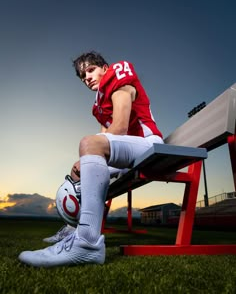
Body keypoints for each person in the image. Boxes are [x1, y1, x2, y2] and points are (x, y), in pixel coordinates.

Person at [18, 51, 164, 267]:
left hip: (147, 143)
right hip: (129, 155)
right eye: (82, 76)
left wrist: (91, 146)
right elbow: (104, 136)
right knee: (78, 168)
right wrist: (87, 156)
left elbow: (120, 127)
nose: (86, 77)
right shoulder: (99, 104)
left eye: (90, 70)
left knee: (88, 144)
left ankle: (87, 244)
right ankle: (73, 230)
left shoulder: (118, 74)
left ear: (104, 68)